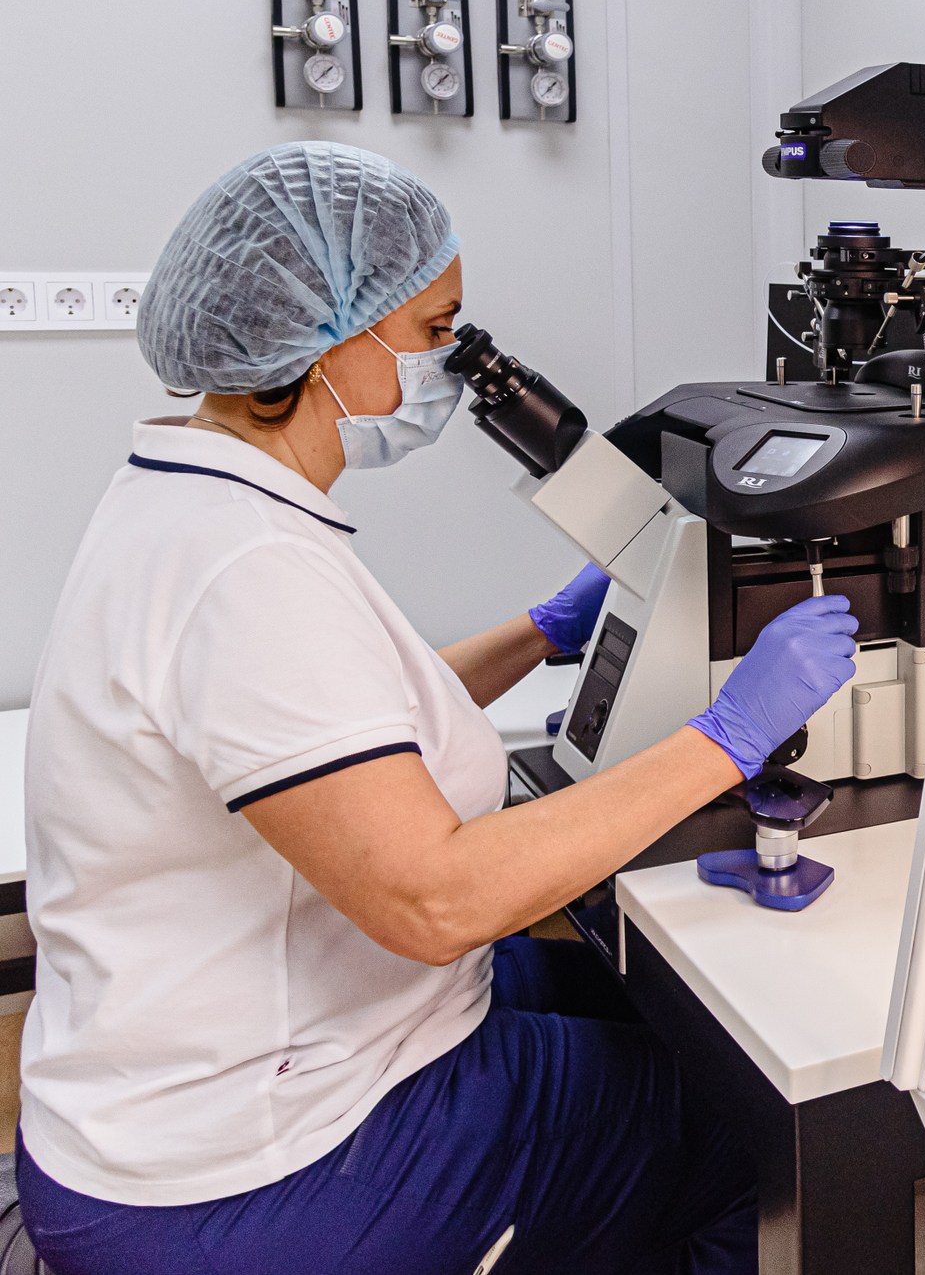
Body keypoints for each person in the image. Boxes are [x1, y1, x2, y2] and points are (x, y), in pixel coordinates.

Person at [14, 142, 860, 1274]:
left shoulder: (190, 498)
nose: (450, 366)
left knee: (652, 1011)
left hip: (221, 1069)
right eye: (432, 329)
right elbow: (438, 897)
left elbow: (338, 734)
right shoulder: (247, 570)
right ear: (327, 345)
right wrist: (729, 737)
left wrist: (541, 629)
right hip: (252, 1166)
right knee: (745, 1125)